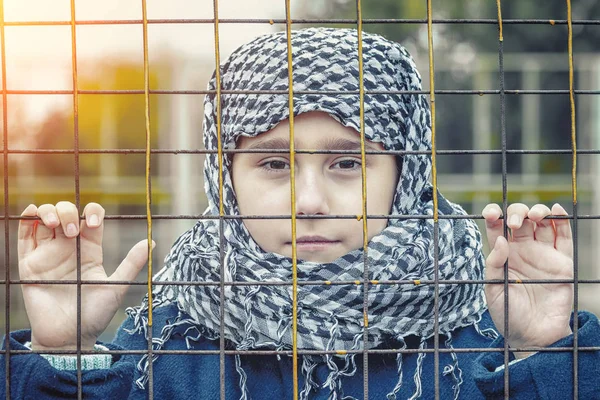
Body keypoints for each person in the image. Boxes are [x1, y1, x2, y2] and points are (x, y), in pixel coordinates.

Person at [2, 27, 599, 400]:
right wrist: (66, 352)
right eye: (273, 165)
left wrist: (544, 352)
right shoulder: (164, 343)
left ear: (406, 175)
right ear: (226, 179)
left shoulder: (484, 339)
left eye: (347, 164)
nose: (309, 199)